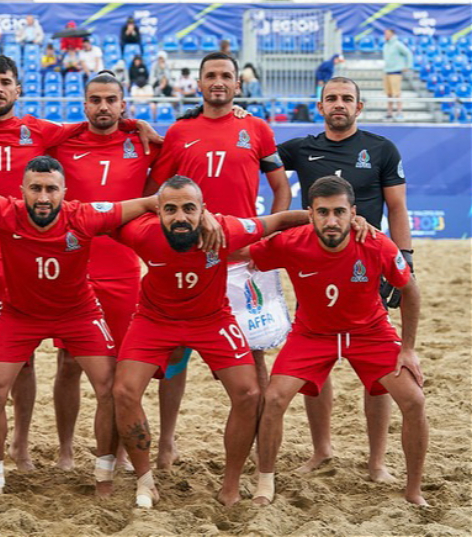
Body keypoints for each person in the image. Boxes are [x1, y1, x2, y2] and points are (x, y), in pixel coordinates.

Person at [0, 54, 158, 471]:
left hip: (57, 254)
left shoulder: (43, 131)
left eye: (5, 82)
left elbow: (100, 123)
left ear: (18, 89)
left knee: (66, 361)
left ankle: (41, 446)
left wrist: (135, 124)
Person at [0, 155, 162, 499]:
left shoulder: (84, 216)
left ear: (64, 192)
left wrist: (202, 214)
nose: (43, 197)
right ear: (22, 190)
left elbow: (151, 201)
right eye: (36, 188)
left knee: (108, 387)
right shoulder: (3, 211)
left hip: (78, 314)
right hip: (20, 315)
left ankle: (103, 476)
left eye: (51, 189)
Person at [112, 176, 311, 509]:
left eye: (189, 209)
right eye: (171, 209)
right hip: (154, 320)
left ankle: (230, 485)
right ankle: (145, 482)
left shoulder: (225, 230)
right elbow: (102, 218)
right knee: (123, 391)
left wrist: (342, 219)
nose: (180, 217)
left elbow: (279, 220)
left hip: (212, 320)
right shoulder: (141, 232)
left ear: (203, 210)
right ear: (158, 212)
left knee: (249, 393)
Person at [146, 51, 292, 468]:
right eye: (210, 75)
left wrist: (266, 236)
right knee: (176, 352)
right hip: (188, 257)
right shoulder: (180, 131)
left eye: (226, 75)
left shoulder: (257, 129)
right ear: (198, 83)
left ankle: (259, 443)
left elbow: (281, 188)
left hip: (242, 258)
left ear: (238, 84)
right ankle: (167, 442)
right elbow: (156, 193)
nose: (218, 81)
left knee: (254, 353)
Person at [250, 176, 427, 507]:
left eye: (339, 212)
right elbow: (241, 255)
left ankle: (413, 491)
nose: (331, 221)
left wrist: (408, 349)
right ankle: (265, 483)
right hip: (312, 334)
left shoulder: (376, 243)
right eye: (323, 212)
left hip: (370, 333)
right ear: (310, 214)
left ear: (353, 213)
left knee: (414, 400)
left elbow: (410, 290)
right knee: (273, 399)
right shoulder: (291, 242)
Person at [277, 76, 413, 482]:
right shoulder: (300, 148)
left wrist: (405, 259)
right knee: (315, 364)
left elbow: (397, 207)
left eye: (347, 98)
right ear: (320, 107)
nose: (339, 104)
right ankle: (322, 450)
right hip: (316, 267)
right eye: (331, 98)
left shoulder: (382, 149)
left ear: (359, 106)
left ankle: (377, 462)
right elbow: (251, 157)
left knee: (378, 371)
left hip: (367, 268)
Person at [46, 71, 163, 470]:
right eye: (95, 100)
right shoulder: (63, 142)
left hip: (123, 268)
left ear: (123, 105)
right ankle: (65, 449)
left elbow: (182, 155)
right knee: (68, 363)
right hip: (74, 266)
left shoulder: (142, 143)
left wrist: (138, 125)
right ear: (84, 105)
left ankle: (121, 451)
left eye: (111, 100)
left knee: (120, 366)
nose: (103, 107)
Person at [382, 29, 413, 121]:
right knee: (389, 94)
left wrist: (408, 66)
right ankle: (389, 113)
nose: (385, 35)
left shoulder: (397, 44)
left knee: (397, 94)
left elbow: (408, 53)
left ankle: (399, 113)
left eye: (387, 34)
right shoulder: (386, 45)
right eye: (385, 34)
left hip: (395, 72)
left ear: (392, 34)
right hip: (387, 72)